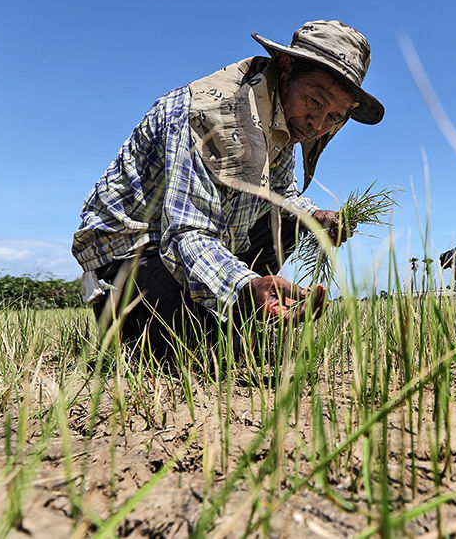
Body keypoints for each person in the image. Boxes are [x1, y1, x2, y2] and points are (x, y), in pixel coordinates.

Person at [72, 20, 384, 358]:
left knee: (294, 219)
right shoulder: (213, 117)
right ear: (285, 68)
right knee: (205, 355)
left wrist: (316, 215)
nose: (318, 124)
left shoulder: (283, 120)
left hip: (199, 242)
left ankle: (230, 315)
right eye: (314, 101)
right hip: (135, 249)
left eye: (335, 117)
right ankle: (126, 316)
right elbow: (186, 233)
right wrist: (245, 286)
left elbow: (281, 194)